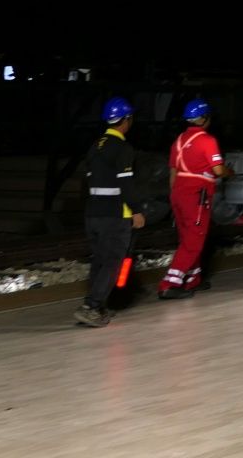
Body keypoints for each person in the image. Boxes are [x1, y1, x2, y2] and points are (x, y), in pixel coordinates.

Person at [75, 97, 147, 327]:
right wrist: (136, 211)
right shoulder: (123, 148)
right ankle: (92, 306)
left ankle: (97, 305)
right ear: (126, 120)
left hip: (93, 214)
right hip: (115, 216)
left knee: (99, 261)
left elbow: (87, 180)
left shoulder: (95, 146)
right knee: (112, 262)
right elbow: (125, 183)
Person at [159, 98, 232, 298]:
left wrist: (174, 197)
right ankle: (169, 283)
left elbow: (173, 173)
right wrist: (229, 172)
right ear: (205, 118)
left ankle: (193, 279)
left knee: (187, 237)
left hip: (178, 194)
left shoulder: (179, 141)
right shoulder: (207, 141)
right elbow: (217, 169)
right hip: (196, 196)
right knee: (194, 240)